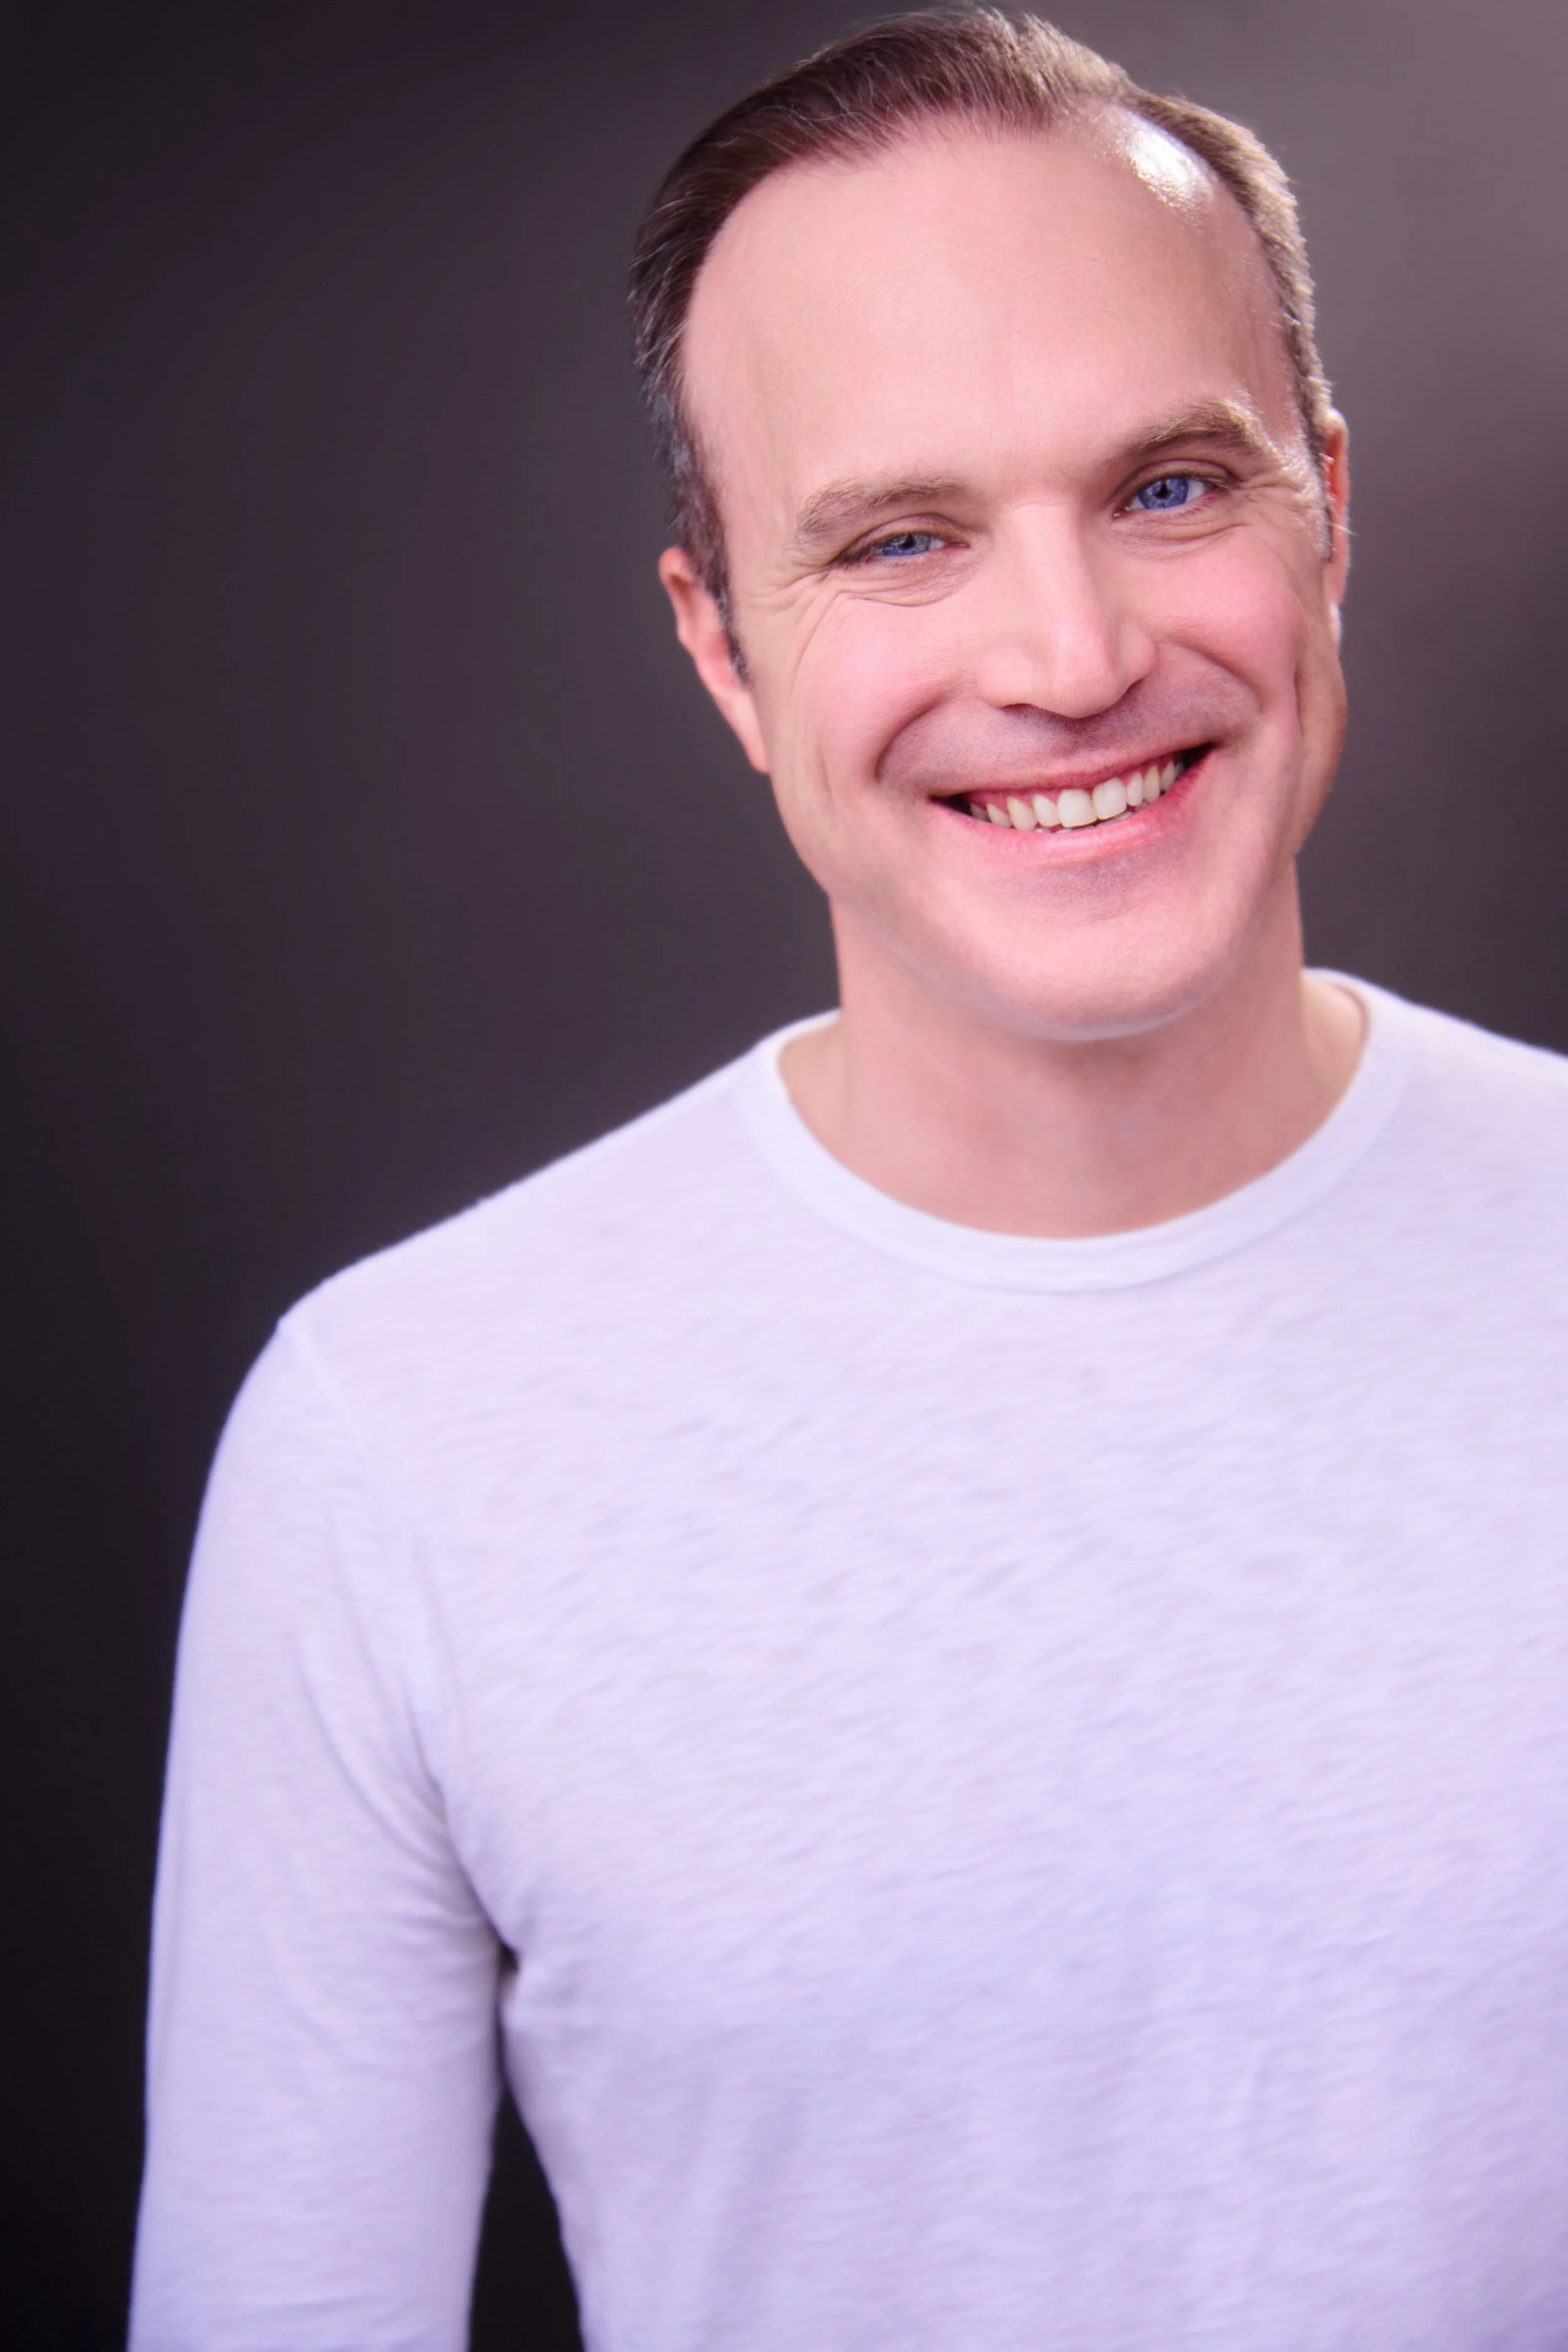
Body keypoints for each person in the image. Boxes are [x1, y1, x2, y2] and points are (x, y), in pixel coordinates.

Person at [131, 12, 1568, 2349]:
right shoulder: (396, 1441)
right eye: (901, 540)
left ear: (1328, 514)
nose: (1071, 655)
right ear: (721, 646)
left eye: (1169, 488)